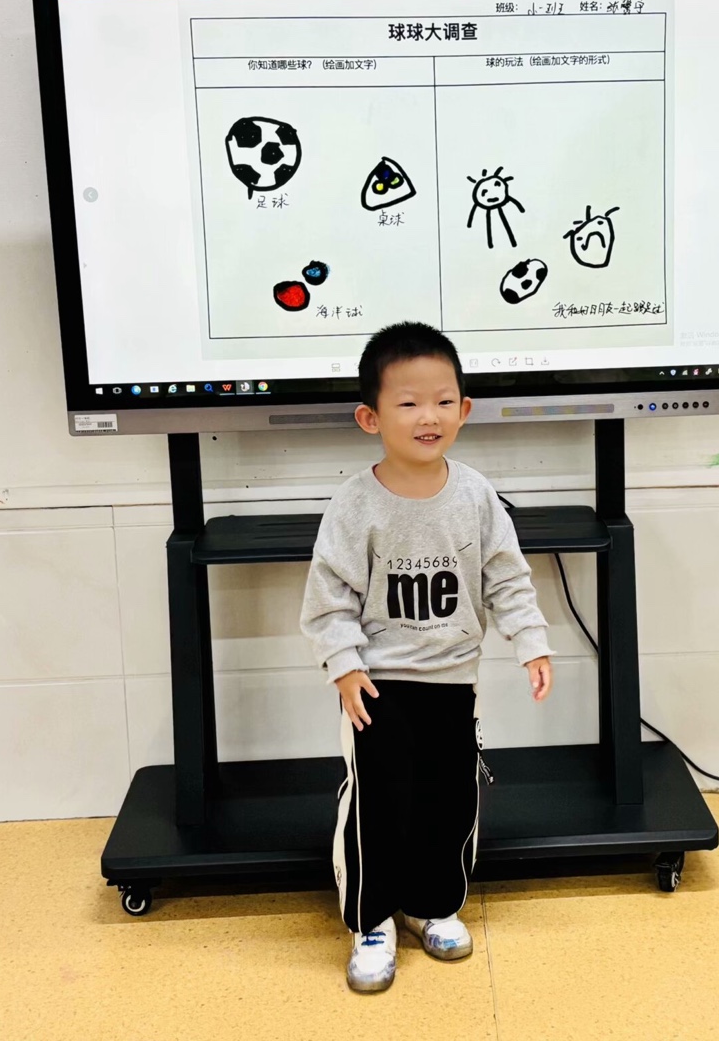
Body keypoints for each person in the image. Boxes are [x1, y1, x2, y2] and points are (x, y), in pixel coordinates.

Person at [300, 321, 554, 994]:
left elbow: (506, 578)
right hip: (378, 686)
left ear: (464, 409)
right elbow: (328, 598)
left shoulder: (475, 495)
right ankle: (371, 920)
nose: (428, 416)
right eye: (408, 403)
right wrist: (343, 664)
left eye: (443, 401)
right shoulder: (354, 504)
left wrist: (530, 641)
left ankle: (431, 904)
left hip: (452, 680)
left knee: (448, 798)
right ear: (371, 417)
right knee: (379, 804)